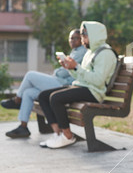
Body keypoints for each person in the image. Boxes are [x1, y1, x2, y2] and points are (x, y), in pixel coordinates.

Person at [38, 21, 117, 149]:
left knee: (55, 98)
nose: (82, 39)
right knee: (43, 96)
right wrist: (70, 68)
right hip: (83, 87)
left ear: (94, 35)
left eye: (84, 35)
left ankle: (68, 136)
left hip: (94, 92)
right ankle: (57, 133)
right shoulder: (90, 52)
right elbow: (81, 76)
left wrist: (77, 68)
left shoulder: (105, 53)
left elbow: (98, 80)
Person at [2, 29, 87, 138]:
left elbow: (64, 72)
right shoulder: (75, 51)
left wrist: (57, 70)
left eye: (77, 38)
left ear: (82, 39)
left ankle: (17, 100)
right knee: (28, 93)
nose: (73, 40)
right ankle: (23, 127)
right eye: (71, 38)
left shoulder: (82, 51)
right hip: (58, 82)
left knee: (30, 75)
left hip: (64, 85)